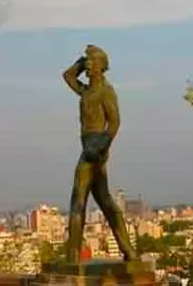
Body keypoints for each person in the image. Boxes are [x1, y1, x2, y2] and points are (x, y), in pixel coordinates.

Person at [61, 45, 138, 263]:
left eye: (91, 61)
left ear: (101, 66)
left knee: (78, 198)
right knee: (104, 201)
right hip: (87, 144)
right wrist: (80, 60)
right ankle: (128, 251)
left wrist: (102, 146)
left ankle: (72, 255)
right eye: (87, 60)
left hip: (95, 147)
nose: (88, 63)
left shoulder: (106, 91)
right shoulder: (86, 91)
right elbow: (67, 76)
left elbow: (114, 122)